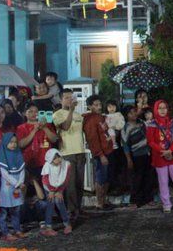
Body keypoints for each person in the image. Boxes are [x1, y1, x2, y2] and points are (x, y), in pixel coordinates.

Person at [146, 100, 173, 214]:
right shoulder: (152, 124)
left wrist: (170, 150)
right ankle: (166, 204)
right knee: (163, 181)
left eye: (165, 107)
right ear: (156, 110)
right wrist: (163, 151)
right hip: (160, 156)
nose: (163, 110)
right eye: (160, 108)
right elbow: (150, 141)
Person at [52, 89, 87, 221]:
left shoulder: (79, 115)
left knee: (79, 182)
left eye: (70, 97)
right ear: (61, 100)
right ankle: (71, 210)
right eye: (66, 98)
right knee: (70, 184)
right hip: (67, 152)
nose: (69, 100)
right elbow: (65, 127)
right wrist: (71, 111)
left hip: (80, 151)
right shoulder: (58, 115)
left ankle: (78, 208)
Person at [82, 95, 113, 210]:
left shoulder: (100, 117)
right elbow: (92, 139)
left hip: (108, 151)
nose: (99, 107)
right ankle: (99, 203)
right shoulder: (90, 120)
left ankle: (103, 201)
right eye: (96, 105)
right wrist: (100, 155)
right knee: (100, 178)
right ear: (89, 106)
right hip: (101, 154)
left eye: (100, 104)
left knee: (106, 178)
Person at [121, 106, 155, 208]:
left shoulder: (141, 122)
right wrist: (129, 159)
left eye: (134, 112)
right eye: (130, 113)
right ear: (126, 115)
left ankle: (148, 199)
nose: (134, 114)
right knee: (137, 178)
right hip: (136, 155)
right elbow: (125, 145)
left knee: (148, 177)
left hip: (147, 153)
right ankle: (134, 201)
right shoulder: (126, 128)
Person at [16, 103, 59, 180]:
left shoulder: (48, 125)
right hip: (29, 163)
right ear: (25, 113)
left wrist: (45, 128)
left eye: (36, 111)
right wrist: (34, 130)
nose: (34, 114)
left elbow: (54, 139)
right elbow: (21, 144)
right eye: (30, 111)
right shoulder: (21, 128)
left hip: (46, 163)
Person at [0, 133, 26, 242]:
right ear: (5, 143)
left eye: (15, 142)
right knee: (4, 211)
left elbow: (22, 169)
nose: (13, 145)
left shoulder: (18, 154)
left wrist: (21, 182)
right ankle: (5, 232)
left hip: (17, 186)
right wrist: (16, 183)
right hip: (7, 187)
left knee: (16, 209)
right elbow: (5, 174)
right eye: (11, 142)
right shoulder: (3, 155)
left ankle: (17, 229)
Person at [40, 149, 72, 236]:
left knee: (60, 202)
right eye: (55, 158)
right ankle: (48, 227)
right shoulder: (47, 166)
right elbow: (45, 180)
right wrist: (51, 191)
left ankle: (67, 224)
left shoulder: (66, 165)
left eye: (59, 157)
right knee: (50, 203)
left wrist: (60, 191)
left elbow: (66, 179)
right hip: (49, 188)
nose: (58, 159)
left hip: (59, 187)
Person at [104, 99, 125, 191]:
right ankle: (111, 186)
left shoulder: (119, 115)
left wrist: (114, 127)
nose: (111, 108)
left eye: (113, 106)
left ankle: (118, 186)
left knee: (117, 165)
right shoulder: (105, 116)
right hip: (107, 143)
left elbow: (121, 125)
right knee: (110, 166)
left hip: (117, 143)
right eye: (109, 106)